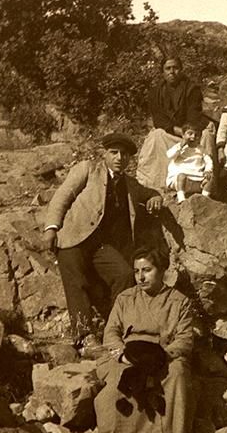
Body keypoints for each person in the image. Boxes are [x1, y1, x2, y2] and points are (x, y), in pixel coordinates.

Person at [43, 132, 164, 350]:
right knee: (76, 281)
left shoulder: (129, 183)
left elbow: (148, 193)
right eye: (114, 153)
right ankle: (85, 337)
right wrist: (52, 228)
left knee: (125, 274)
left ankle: (113, 330)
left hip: (100, 247)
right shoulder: (88, 170)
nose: (120, 158)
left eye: (125, 154)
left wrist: (155, 196)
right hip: (73, 238)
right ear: (104, 154)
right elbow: (62, 196)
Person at [91, 246, 195, 433]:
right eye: (136, 271)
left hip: (162, 356)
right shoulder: (125, 299)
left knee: (176, 374)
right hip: (128, 355)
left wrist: (160, 357)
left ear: (162, 270)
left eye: (147, 270)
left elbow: (185, 339)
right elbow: (111, 332)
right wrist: (122, 354)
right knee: (114, 388)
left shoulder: (179, 302)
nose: (140, 277)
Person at [136, 56, 213, 191]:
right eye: (168, 68)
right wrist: (178, 131)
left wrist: (187, 133)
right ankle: (154, 182)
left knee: (207, 135)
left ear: (181, 70)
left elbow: (193, 115)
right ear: (163, 72)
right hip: (171, 133)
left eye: (175, 68)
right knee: (156, 136)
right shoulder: (155, 92)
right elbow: (159, 119)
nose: (172, 72)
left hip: (191, 133)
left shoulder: (191, 89)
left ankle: (205, 184)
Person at [166, 121, 214, 202]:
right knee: (181, 176)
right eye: (190, 134)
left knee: (211, 178)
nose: (193, 137)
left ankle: (204, 198)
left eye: (197, 135)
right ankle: (181, 198)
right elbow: (170, 155)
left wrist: (207, 171)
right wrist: (181, 145)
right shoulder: (180, 147)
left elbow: (208, 161)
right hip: (180, 180)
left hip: (197, 178)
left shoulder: (201, 149)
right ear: (183, 135)